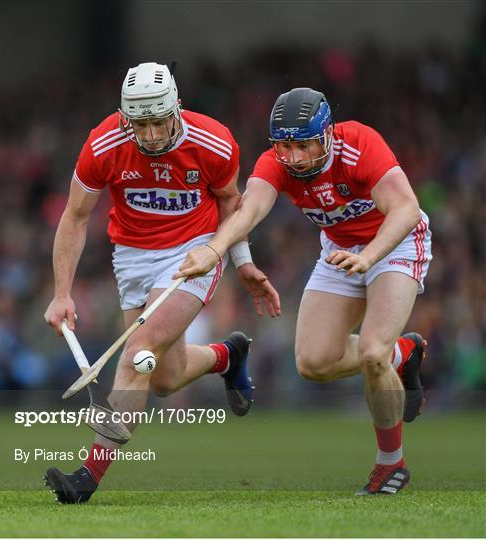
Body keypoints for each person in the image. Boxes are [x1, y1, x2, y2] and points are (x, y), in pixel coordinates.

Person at [43, 62, 280, 504]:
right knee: (165, 379)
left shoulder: (213, 141)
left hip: (193, 252)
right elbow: (75, 217)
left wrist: (240, 261)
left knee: (137, 354)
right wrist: (61, 293)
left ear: (177, 109)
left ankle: (86, 478)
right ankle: (226, 356)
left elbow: (233, 202)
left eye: (158, 122)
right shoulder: (103, 144)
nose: (150, 135)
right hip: (131, 257)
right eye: (140, 123)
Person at [175, 87, 432, 495]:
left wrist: (370, 257)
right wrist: (215, 249)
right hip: (340, 250)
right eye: (284, 146)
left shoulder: (360, 144)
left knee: (371, 352)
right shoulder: (275, 163)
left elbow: (405, 208)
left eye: (302, 145)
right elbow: (251, 209)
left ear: (326, 135)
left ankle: (390, 464)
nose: (292, 157)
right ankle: (404, 353)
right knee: (314, 362)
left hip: (395, 243)